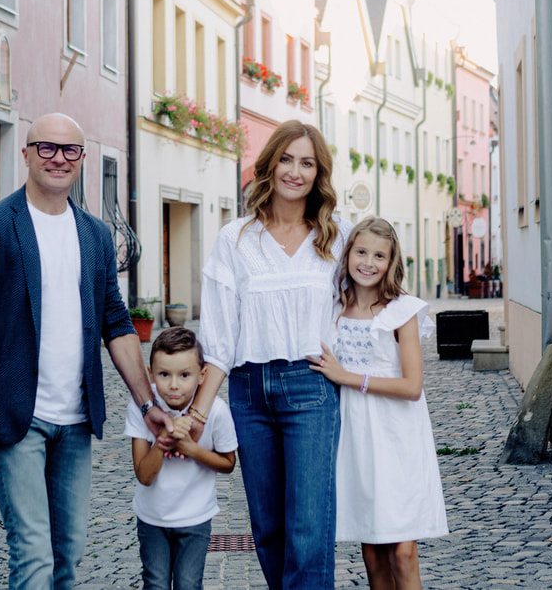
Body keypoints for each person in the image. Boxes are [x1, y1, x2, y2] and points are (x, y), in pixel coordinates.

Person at [0, 112, 173, 590]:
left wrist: (148, 402)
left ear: (82, 159)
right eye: (46, 147)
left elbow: (117, 322)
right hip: (14, 418)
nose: (58, 158)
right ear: (26, 154)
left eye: (69, 150)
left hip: (76, 419)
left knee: (69, 555)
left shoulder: (94, 235)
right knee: (33, 554)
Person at [192, 119, 352, 589]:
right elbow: (219, 339)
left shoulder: (336, 238)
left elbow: (362, 311)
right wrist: (198, 412)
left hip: (310, 386)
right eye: (286, 159)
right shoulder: (235, 238)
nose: (295, 172)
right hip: (247, 393)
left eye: (307, 162)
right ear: (269, 165)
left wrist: (358, 376)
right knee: (268, 530)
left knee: (308, 530)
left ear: (318, 173)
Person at [308, 217, 449, 590]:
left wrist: (349, 378)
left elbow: (413, 386)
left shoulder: (402, 311)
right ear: (348, 254)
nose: (368, 262)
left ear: (391, 262)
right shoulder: (333, 308)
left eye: (379, 255)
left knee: (402, 551)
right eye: (361, 252)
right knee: (371, 552)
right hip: (354, 435)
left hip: (397, 434)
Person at [125, 327, 237, 590]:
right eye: (164, 374)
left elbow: (229, 463)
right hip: (153, 518)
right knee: (156, 583)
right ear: (150, 374)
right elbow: (144, 474)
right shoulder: (141, 408)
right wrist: (163, 441)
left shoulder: (217, 412)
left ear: (202, 375)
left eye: (184, 375)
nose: (174, 385)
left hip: (196, 517)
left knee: (188, 584)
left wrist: (191, 449)